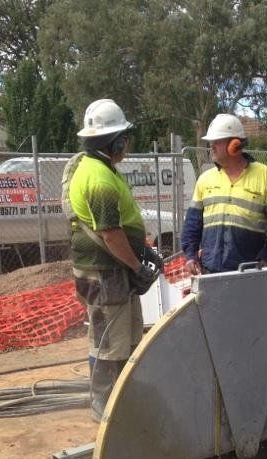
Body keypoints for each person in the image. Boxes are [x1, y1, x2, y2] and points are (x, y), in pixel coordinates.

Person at [67, 98, 160, 422]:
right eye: (125, 138)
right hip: (107, 274)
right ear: (116, 141)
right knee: (108, 344)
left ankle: (122, 400)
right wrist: (137, 267)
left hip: (111, 271)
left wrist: (141, 251)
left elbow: (118, 226)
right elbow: (109, 233)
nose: (127, 144)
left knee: (123, 339)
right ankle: (105, 409)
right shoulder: (100, 179)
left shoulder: (100, 169)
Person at [181, 113, 267, 274]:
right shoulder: (205, 179)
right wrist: (190, 256)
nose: (211, 146)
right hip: (210, 270)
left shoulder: (264, 175)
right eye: (211, 142)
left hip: (249, 273)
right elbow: (192, 223)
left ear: (235, 144)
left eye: (217, 141)